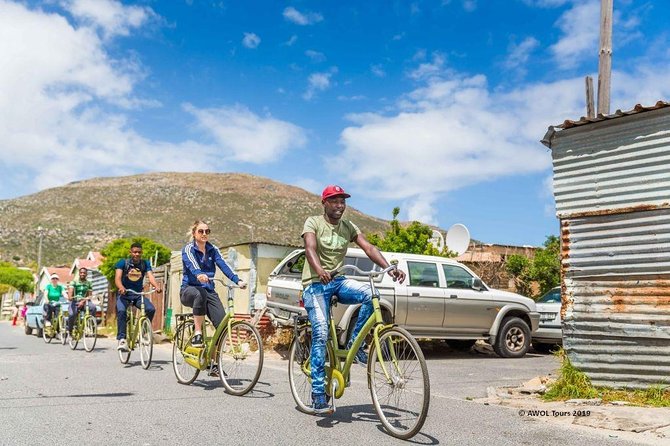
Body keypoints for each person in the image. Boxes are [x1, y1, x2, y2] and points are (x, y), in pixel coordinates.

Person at [301, 185, 406, 414]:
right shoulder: (313, 223)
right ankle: (318, 394)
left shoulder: (348, 226)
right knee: (321, 333)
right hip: (315, 284)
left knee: (372, 295)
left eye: (343, 201)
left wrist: (389, 268)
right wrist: (319, 270)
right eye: (335, 201)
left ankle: (354, 344)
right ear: (325, 203)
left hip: (337, 280)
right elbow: (310, 249)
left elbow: (368, 247)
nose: (340, 205)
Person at [180, 221, 247, 351]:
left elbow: (224, 265)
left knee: (221, 325)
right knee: (200, 294)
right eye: (201, 231)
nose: (204, 234)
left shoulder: (213, 249)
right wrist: (199, 274)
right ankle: (198, 333)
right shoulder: (188, 249)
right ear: (194, 233)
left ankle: (214, 364)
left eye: (207, 231)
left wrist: (237, 280)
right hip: (189, 290)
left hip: (209, 290)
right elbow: (191, 264)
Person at [114, 242, 162, 352]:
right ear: (130, 252)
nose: (137, 254)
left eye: (139, 252)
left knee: (150, 309)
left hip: (137, 295)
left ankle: (143, 333)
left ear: (142, 253)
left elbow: (150, 277)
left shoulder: (145, 264)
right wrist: (121, 287)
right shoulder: (123, 263)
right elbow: (117, 278)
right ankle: (122, 339)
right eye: (135, 252)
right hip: (124, 294)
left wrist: (156, 286)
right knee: (121, 311)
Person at [67, 267, 96, 335]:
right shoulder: (74, 282)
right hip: (75, 301)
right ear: (79, 274)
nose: (82, 274)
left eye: (84, 273)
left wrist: (83, 301)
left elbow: (90, 295)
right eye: (81, 273)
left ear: (86, 274)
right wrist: (70, 297)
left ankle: (90, 325)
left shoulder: (89, 283)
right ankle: (70, 330)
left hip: (85, 301)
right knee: (72, 314)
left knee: (93, 308)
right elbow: (70, 291)